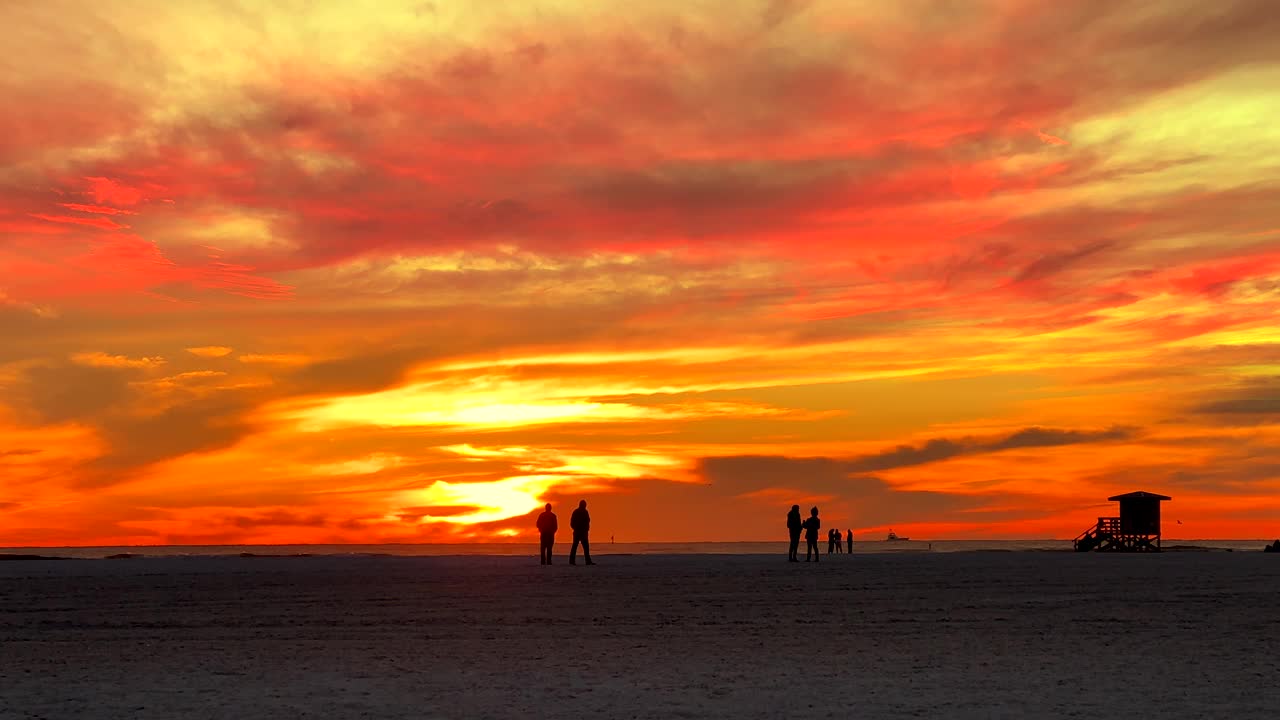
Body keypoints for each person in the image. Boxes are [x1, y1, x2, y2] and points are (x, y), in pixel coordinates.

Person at [569, 499, 594, 565]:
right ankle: (572, 561)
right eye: (584, 505)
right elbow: (572, 522)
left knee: (584, 547)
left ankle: (587, 561)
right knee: (576, 547)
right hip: (579, 532)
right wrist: (576, 528)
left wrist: (586, 529)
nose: (585, 506)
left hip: (582, 532)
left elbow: (588, 521)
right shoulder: (578, 512)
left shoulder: (584, 512)